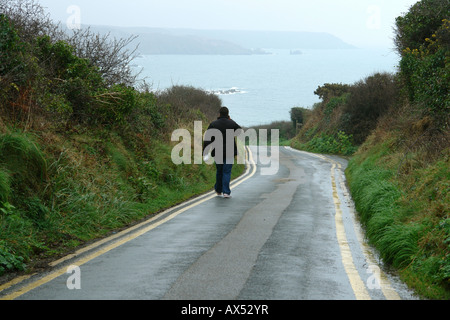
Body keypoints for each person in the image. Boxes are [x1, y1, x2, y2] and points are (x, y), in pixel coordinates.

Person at [203, 107, 241, 198]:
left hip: (217, 152)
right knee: (226, 172)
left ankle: (218, 190)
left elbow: (207, 138)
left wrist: (205, 152)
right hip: (230, 152)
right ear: (228, 114)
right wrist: (230, 121)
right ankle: (226, 192)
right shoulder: (231, 123)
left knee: (219, 171)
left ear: (219, 114)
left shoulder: (214, 124)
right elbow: (239, 131)